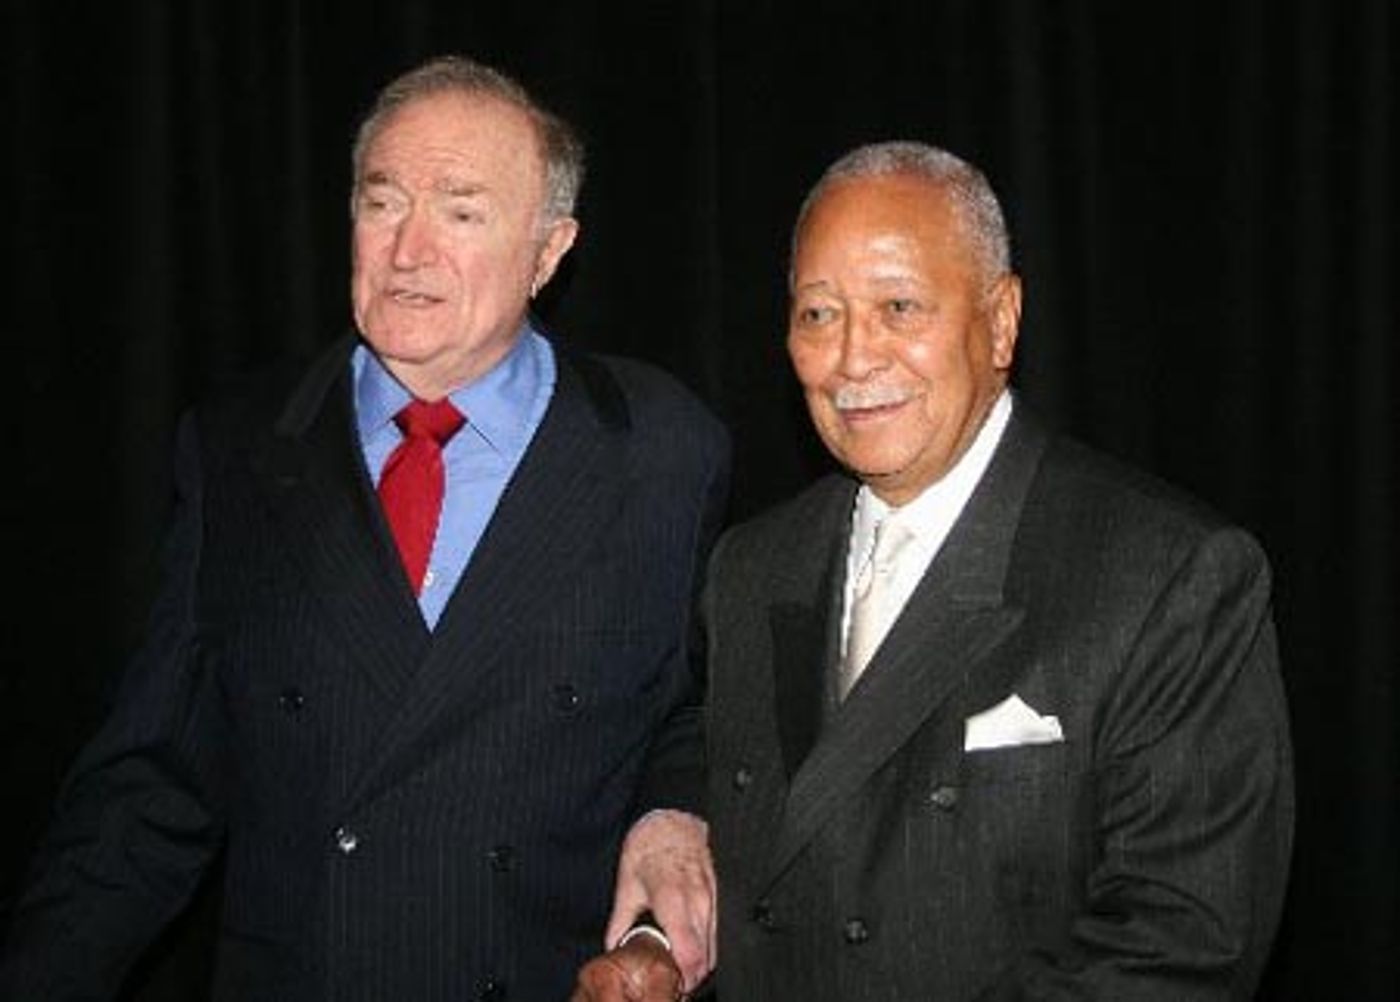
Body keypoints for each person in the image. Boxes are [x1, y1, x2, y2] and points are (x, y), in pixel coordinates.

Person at [0, 55, 726, 1002]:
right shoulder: (241, 449)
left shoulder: (660, 448)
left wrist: (674, 817)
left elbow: (699, 710)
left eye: (460, 212)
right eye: (382, 204)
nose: (408, 250)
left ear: (549, 252)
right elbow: (151, 787)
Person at [573, 141, 1293, 1001]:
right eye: (818, 314)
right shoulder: (753, 567)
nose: (853, 358)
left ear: (1002, 321)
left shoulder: (1167, 574)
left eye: (899, 307)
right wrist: (663, 950)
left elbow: (1183, 948)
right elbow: (777, 852)